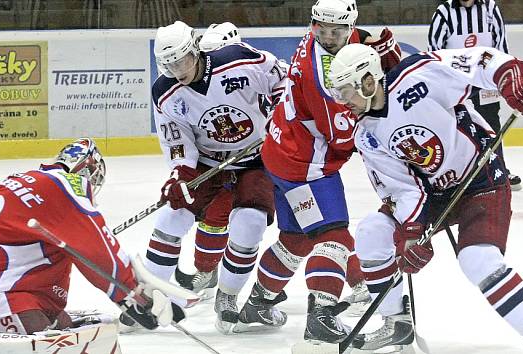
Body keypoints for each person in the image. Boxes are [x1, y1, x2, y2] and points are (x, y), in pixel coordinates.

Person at [327, 43, 523, 353]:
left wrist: (508, 75)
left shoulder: (417, 76)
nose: (344, 102)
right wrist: (411, 236)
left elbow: (478, 60)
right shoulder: (367, 135)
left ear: (368, 81)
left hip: (480, 180)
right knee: (371, 233)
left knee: (477, 259)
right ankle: (396, 323)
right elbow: (404, 190)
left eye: (347, 92)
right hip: (433, 196)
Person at [236, 0, 401, 342]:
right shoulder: (326, 80)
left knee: (296, 240)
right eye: (322, 30)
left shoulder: (321, 39)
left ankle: (258, 304)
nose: (328, 37)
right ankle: (321, 317)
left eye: (336, 31)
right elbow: (343, 137)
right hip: (304, 165)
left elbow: (359, 41)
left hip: (281, 151)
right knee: (335, 238)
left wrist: (381, 49)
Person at [0, 138, 178, 336]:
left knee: (63, 325)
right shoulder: (67, 186)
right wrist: (133, 297)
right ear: (87, 172)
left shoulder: (26, 181)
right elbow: (98, 251)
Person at [143, 20, 286, 334]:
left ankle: (228, 297)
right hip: (207, 162)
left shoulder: (239, 60)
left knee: (250, 224)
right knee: (172, 217)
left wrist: (279, 109)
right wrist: (180, 175)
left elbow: (283, 79)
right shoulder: (165, 92)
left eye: (181, 61)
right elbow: (176, 139)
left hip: (255, 159)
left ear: (195, 50)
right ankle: (148, 298)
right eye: (168, 65)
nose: (177, 70)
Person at [172, 22, 243, 299]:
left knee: (309, 225)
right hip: (222, 167)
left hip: (264, 166)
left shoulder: (252, 74)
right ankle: (207, 271)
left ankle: (357, 279)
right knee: (214, 215)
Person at [427, 0, 522, 191]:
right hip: (456, 83)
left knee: (491, 125)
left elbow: (501, 44)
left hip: (486, 82)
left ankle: (499, 170)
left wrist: (503, 78)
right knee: (458, 127)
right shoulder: (444, 12)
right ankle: (459, 174)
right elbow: (434, 51)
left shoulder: (490, 8)